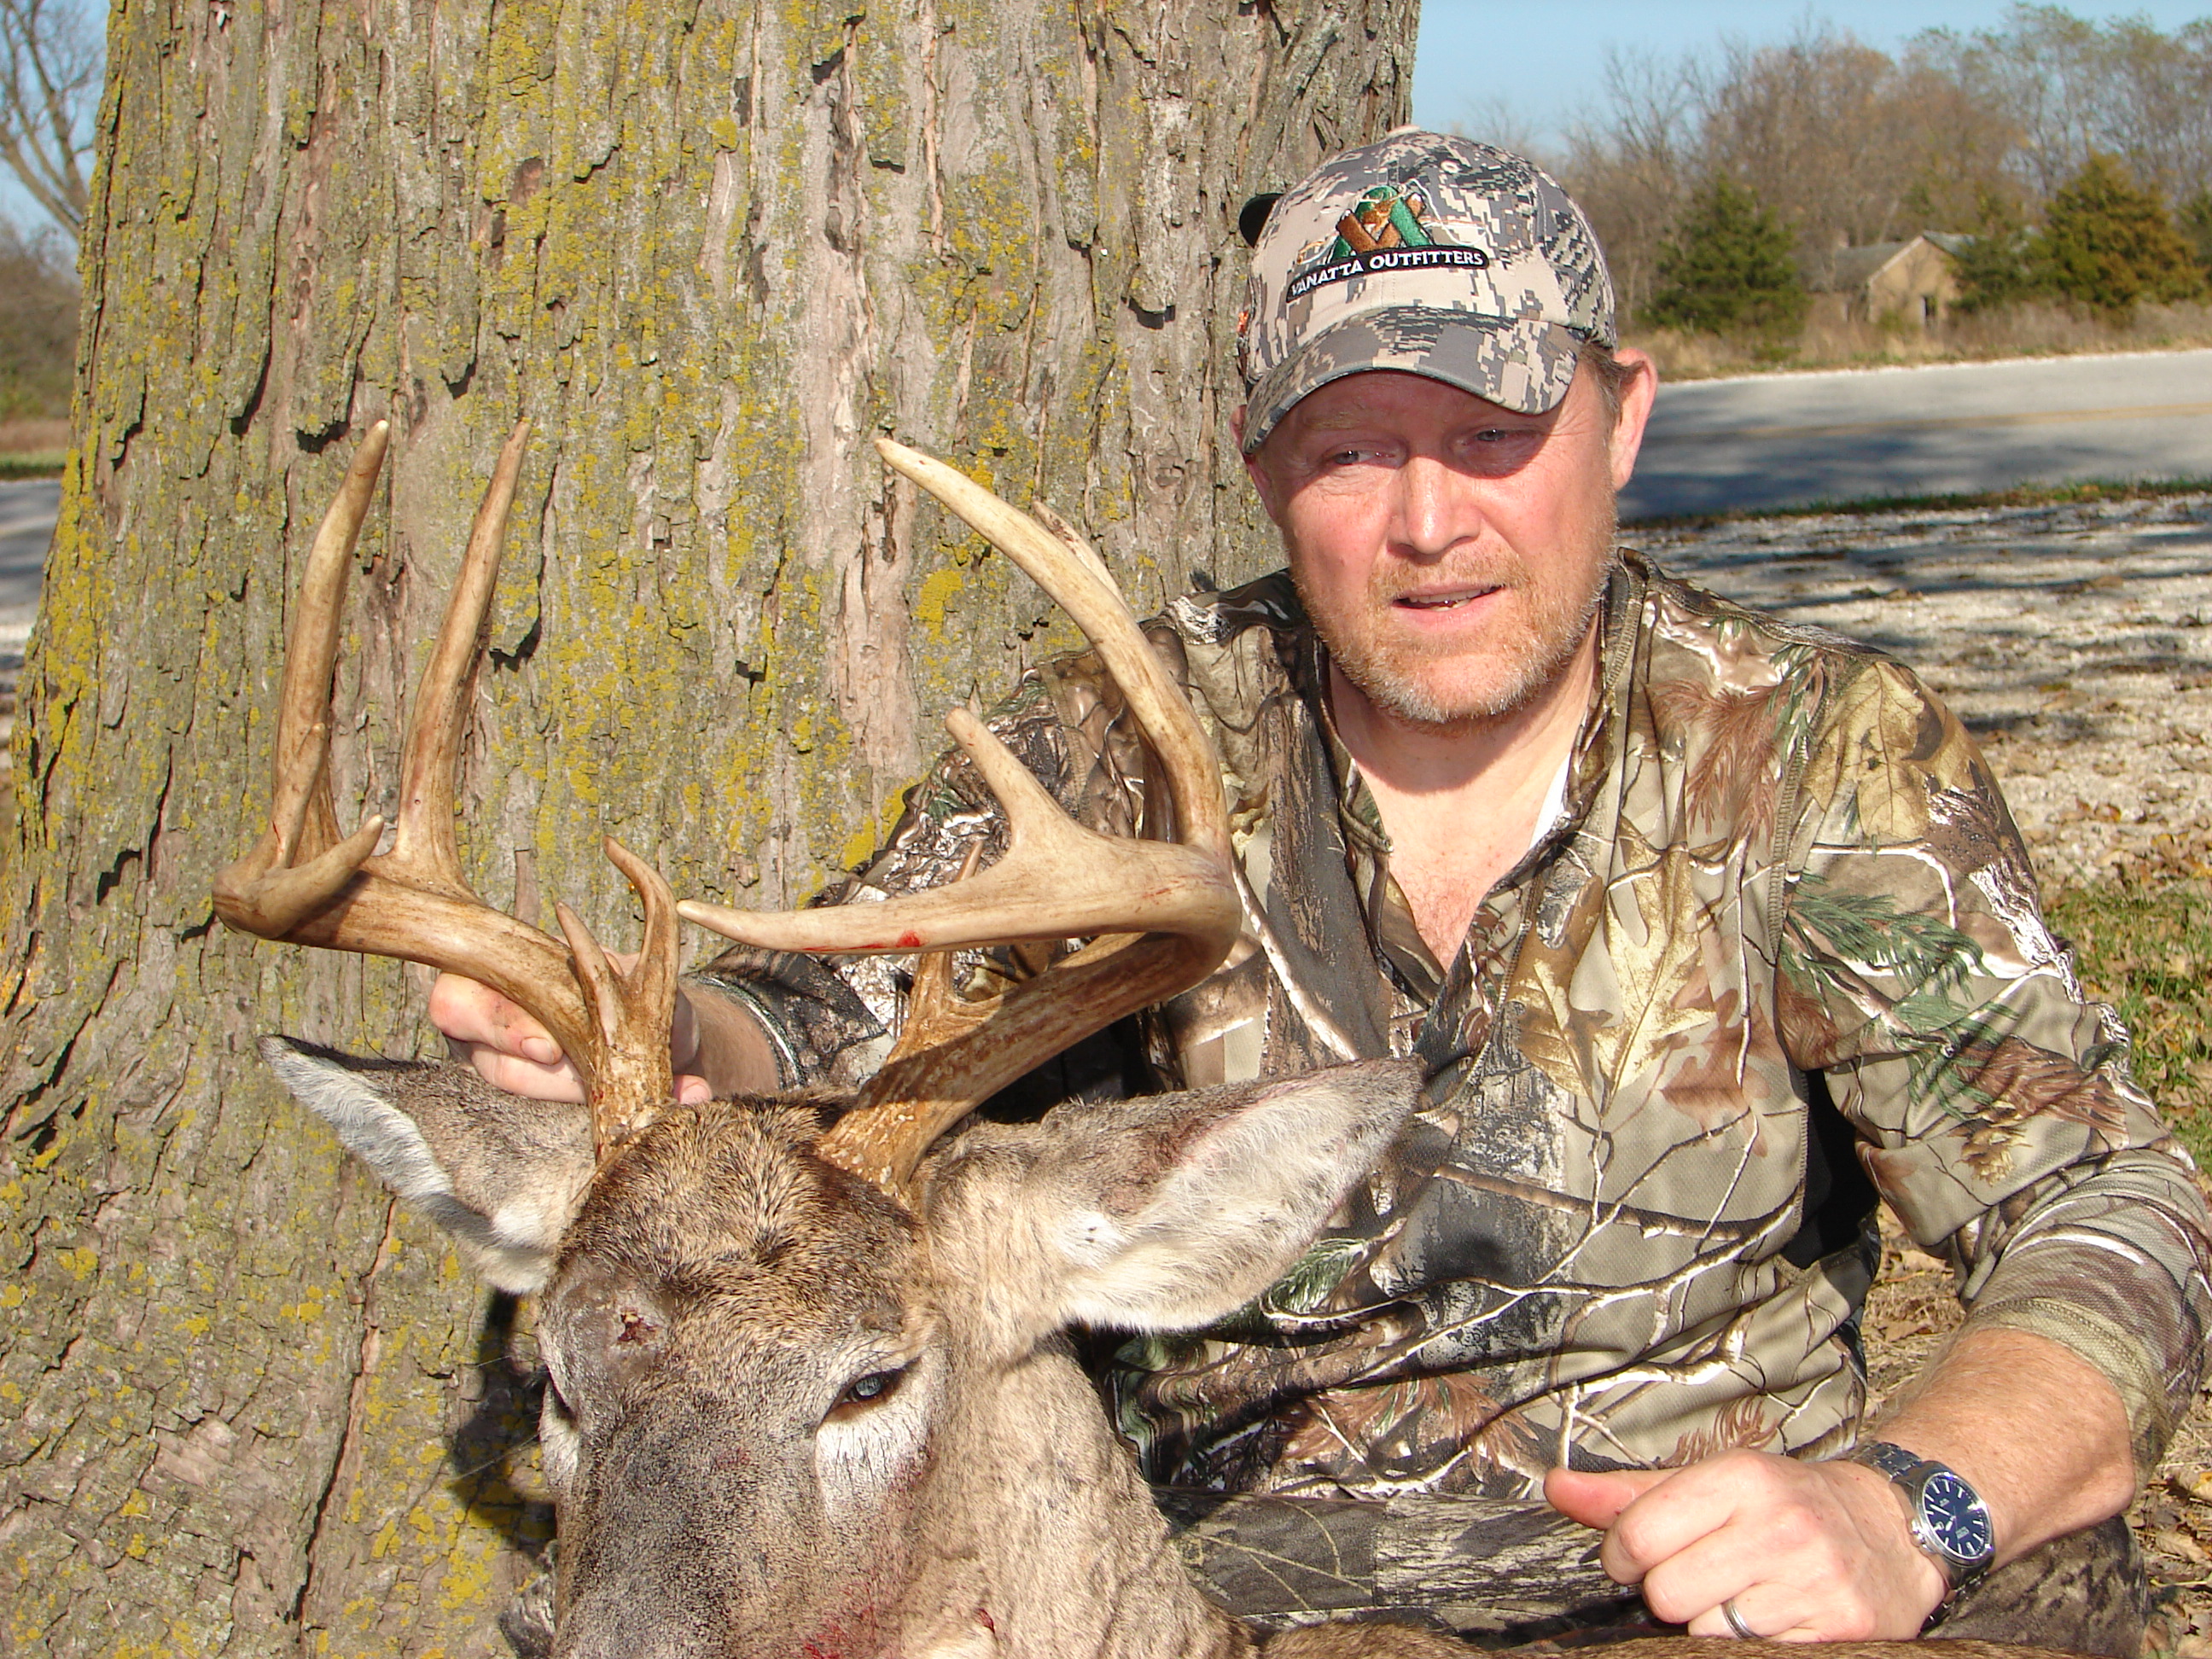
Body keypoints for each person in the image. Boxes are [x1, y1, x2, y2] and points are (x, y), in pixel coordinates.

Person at [434, 131, 2210, 1652]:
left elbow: (2118, 1211)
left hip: (1711, 1596)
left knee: (2042, 1552)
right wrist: (674, 1039)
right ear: (1261, 459)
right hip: (1239, 1616)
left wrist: (1902, 1508)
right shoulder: (1135, 753)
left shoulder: (1814, 754)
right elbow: (818, 1029)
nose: (1427, 521)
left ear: (1624, 416)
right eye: (1353, 448)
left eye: (1496, 428)